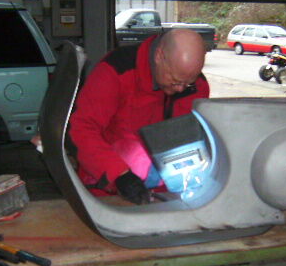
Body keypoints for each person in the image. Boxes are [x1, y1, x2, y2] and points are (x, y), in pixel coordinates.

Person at [68, 28, 210, 204]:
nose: (181, 89)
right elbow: (81, 129)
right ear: (159, 56)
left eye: (187, 83)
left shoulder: (196, 85)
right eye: (175, 81)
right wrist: (118, 175)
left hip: (167, 193)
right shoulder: (116, 70)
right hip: (110, 187)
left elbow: (194, 144)